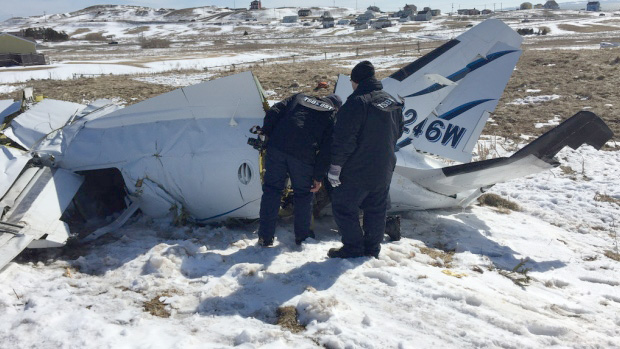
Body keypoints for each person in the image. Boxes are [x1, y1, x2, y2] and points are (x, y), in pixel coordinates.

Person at [327, 61, 404, 258]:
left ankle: (353, 248)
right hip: (385, 166)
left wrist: (335, 166)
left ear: (356, 81)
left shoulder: (357, 103)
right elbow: (399, 132)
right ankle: (371, 249)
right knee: (376, 209)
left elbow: (344, 140)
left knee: (344, 206)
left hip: (358, 168)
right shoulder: (390, 101)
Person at [257, 92, 342, 246]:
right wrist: (318, 177)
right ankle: (302, 238)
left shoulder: (299, 97)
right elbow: (327, 151)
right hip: (303, 155)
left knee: (271, 191)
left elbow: (274, 111)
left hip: (277, 147)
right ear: (336, 107)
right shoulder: (331, 114)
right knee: (303, 195)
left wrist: (267, 133)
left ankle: (265, 237)